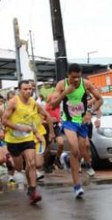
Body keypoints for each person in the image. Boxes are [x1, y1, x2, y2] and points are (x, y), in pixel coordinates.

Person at [50, 63, 103, 198]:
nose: (76, 80)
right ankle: (77, 186)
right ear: (68, 75)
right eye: (73, 77)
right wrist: (65, 93)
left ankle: (67, 158)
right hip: (69, 121)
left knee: (83, 147)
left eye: (78, 77)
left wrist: (90, 112)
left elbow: (100, 100)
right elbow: (53, 105)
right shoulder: (61, 85)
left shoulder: (85, 84)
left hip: (82, 121)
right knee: (74, 149)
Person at [3, 80, 53, 205]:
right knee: (19, 168)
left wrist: (49, 131)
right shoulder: (13, 102)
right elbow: (4, 120)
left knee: (31, 163)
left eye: (30, 89)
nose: (28, 91)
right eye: (25, 89)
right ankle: (10, 161)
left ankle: (33, 190)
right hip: (13, 139)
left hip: (27, 138)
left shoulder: (33, 103)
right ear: (19, 90)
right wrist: (19, 128)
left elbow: (45, 115)